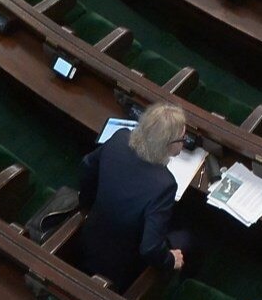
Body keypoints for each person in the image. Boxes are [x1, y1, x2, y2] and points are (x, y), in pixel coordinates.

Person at [76, 104, 191, 286]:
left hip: (90, 238)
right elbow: (150, 248)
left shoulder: (119, 138)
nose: (184, 142)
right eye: (182, 138)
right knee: (186, 237)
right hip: (121, 265)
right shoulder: (164, 184)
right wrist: (170, 259)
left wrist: (88, 203)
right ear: (167, 145)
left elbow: (87, 165)